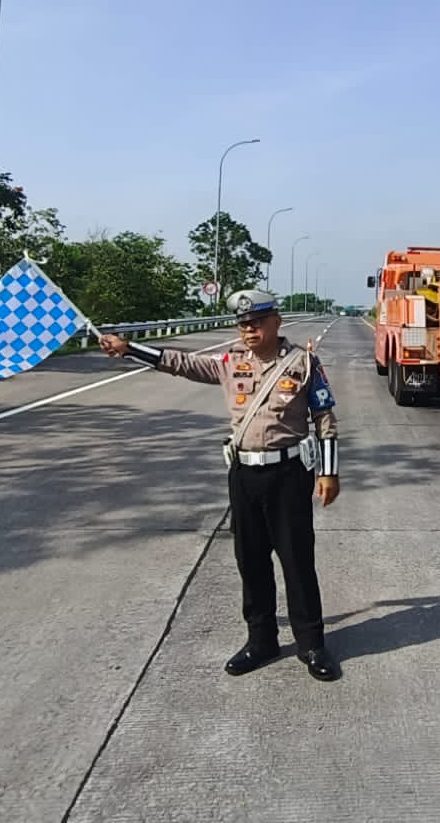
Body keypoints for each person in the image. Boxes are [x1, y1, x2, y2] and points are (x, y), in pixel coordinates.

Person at [99, 289, 342, 682]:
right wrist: (129, 349)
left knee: (297, 561)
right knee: (251, 560)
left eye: (257, 323)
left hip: (288, 475)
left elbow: (325, 419)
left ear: (275, 321)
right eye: (244, 324)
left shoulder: (304, 363)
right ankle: (261, 640)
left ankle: (312, 644)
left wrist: (328, 473)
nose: (249, 330)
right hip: (244, 475)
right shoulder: (230, 362)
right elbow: (180, 363)